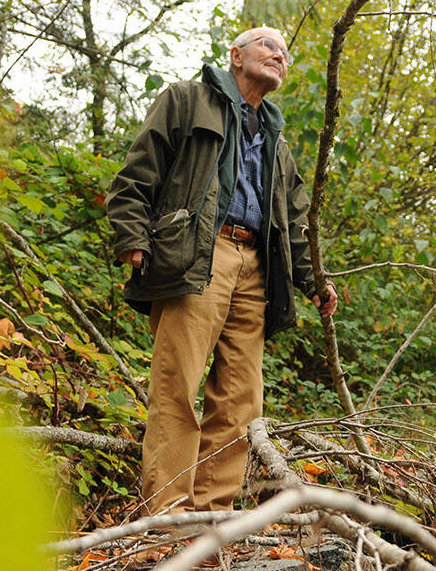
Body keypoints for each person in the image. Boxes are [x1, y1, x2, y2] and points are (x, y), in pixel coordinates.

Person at [107, 26, 339, 514]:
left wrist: (312, 280)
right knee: (177, 385)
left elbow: (294, 218)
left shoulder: (276, 137)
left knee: (240, 399)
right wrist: (131, 235)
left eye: (286, 53)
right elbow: (138, 171)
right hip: (198, 253)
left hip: (256, 267)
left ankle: (212, 518)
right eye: (268, 46)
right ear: (235, 56)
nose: (281, 55)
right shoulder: (187, 100)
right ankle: (168, 516)